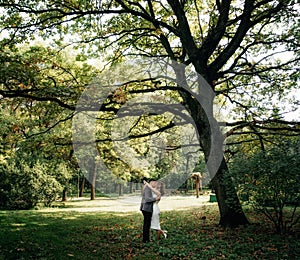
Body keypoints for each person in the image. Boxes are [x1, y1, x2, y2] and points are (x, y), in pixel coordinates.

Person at [140, 178, 160, 243]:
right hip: (146, 208)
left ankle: (146, 239)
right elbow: (147, 199)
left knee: (147, 224)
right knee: (146, 225)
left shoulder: (149, 188)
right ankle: (146, 240)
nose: (156, 184)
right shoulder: (148, 189)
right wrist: (155, 198)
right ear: (151, 182)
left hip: (146, 208)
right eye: (155, 182)